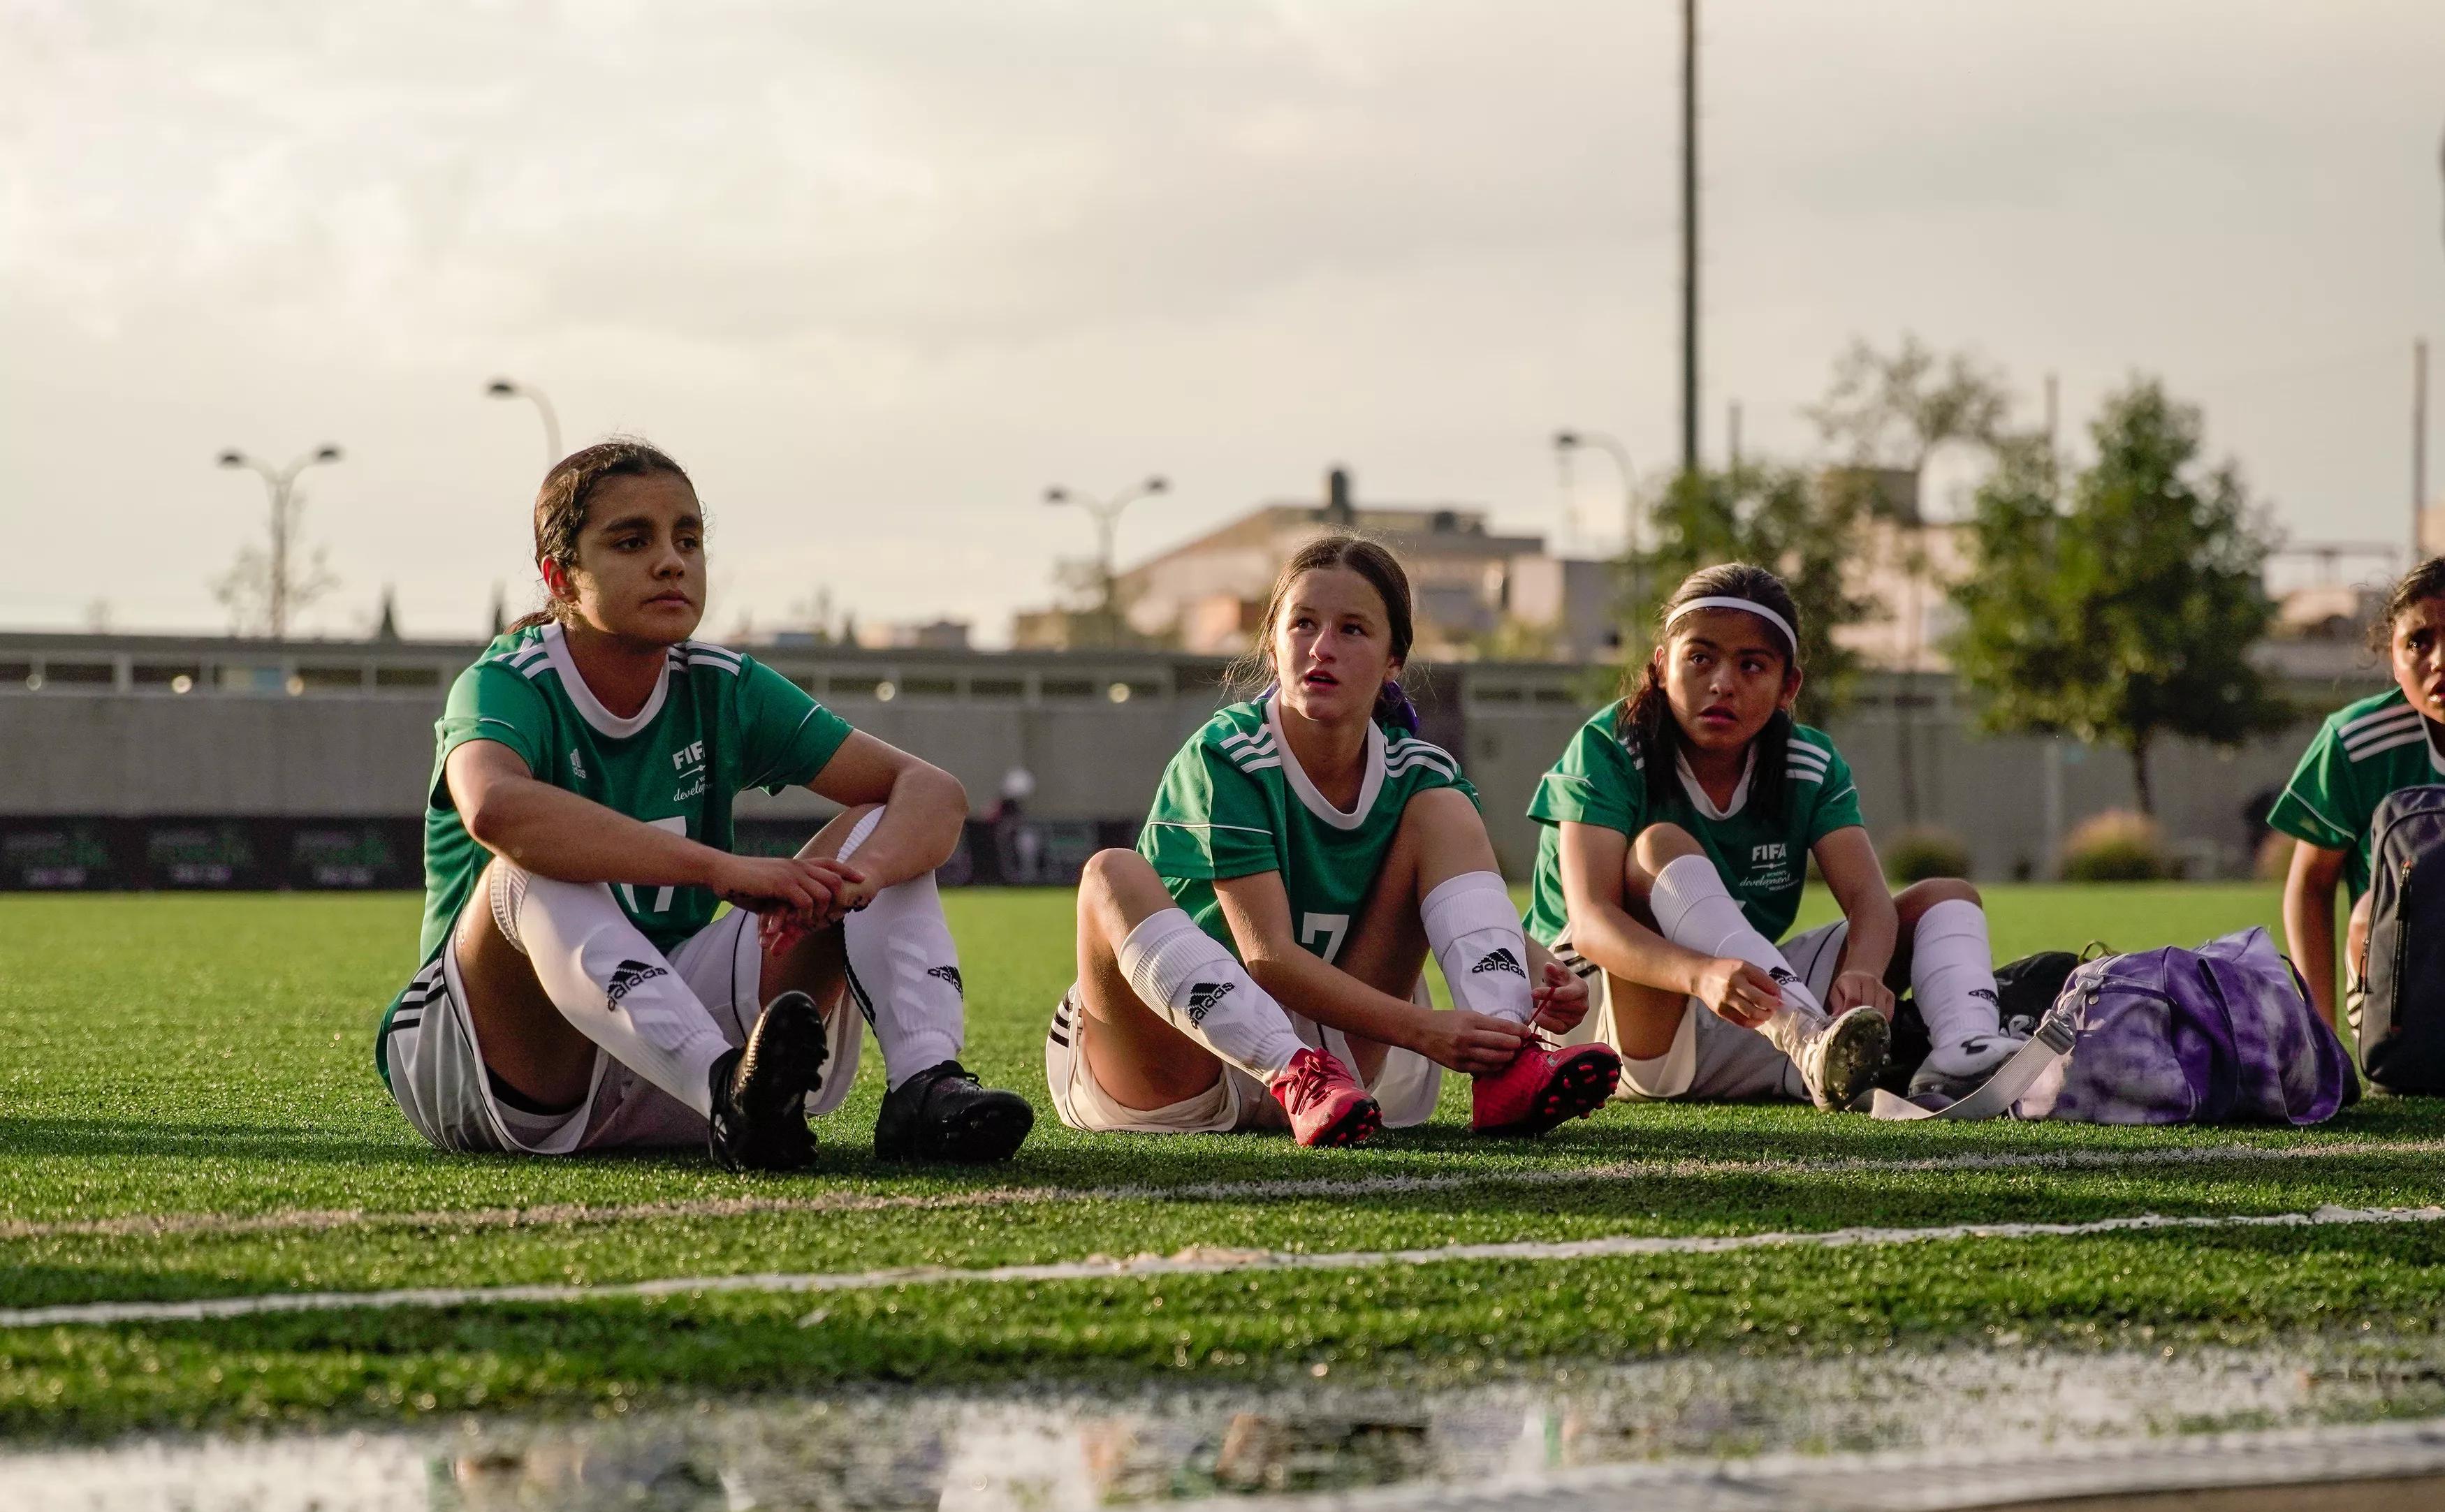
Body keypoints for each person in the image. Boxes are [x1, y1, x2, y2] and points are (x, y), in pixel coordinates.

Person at [376, 439, 1032, 1171]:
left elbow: (933, 793)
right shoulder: (506, 682)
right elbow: (495, 809)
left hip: (668, 1048)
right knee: (523, 867)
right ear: (560, 575)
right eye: (632, 541)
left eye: (687, 539)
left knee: (883, 822)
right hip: (497, 1069)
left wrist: (861, 881)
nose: (671, 561)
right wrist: (720, 870)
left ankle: (921, 1083)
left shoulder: (722, 683)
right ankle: (727, 1095)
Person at [1046, 536, 1621, 1147]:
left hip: (1339, 1070)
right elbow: (1269, 959)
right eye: (1303, 624)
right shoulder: (1227, 755)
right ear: (1272, 641)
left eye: (1352, 630)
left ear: (1393, 660)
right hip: (1183, 1064)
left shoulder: (1421, 771)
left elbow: (1460, 910)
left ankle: (1510, 1064)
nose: (1322, 648)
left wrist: (1538, 968)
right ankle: (1294, 1074)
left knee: (1444, 813)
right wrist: (1425, 1029)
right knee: (1111, 873)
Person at [1527, 563, 2027, 1111]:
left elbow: (1869, 902)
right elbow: (1593, 926)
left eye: (1752, 665)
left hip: (1744, 1003)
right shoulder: (1609, 748)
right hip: (1609, 1027)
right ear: (1663, 665)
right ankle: (1813, 1040)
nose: (1722, 682)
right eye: (1700, 657)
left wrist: (1862, 970)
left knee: (1945, 897)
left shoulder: (1807, 762)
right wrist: (1701, 974)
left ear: (1788, 686)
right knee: (1658, 844)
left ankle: (1965, 1055)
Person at [2270, 557, 2445, 1036]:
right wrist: (2321, 1037)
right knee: (2372, 910)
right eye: (2419, 642)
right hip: (2404, 1008)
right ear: (2393, 655)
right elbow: (2311, 884)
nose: (2440, 660)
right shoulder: (2359, 742)